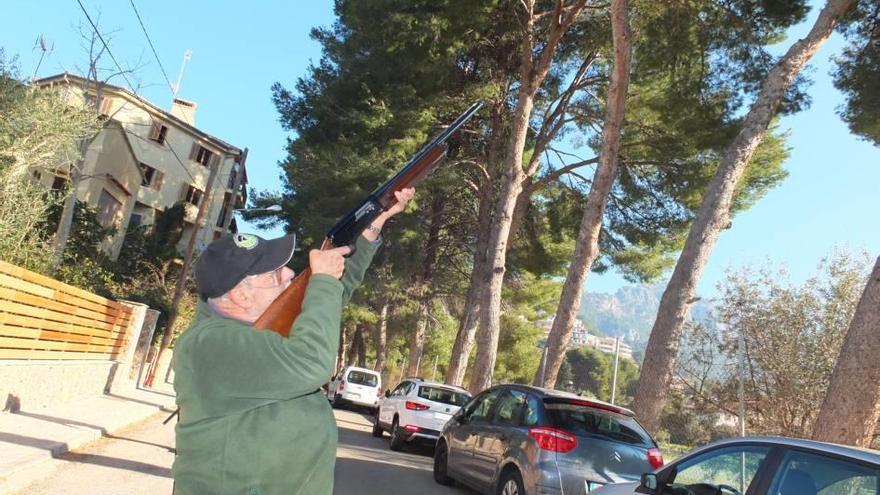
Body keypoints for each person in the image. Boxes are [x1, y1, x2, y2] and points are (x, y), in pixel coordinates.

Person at [172, 188, 415, 495]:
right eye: (274, 273)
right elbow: (311, 363)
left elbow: (330, 298)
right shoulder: (208, 346)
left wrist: (373, 225)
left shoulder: (255, 328)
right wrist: (322, 280)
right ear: (240, 295)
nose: (289, 272)